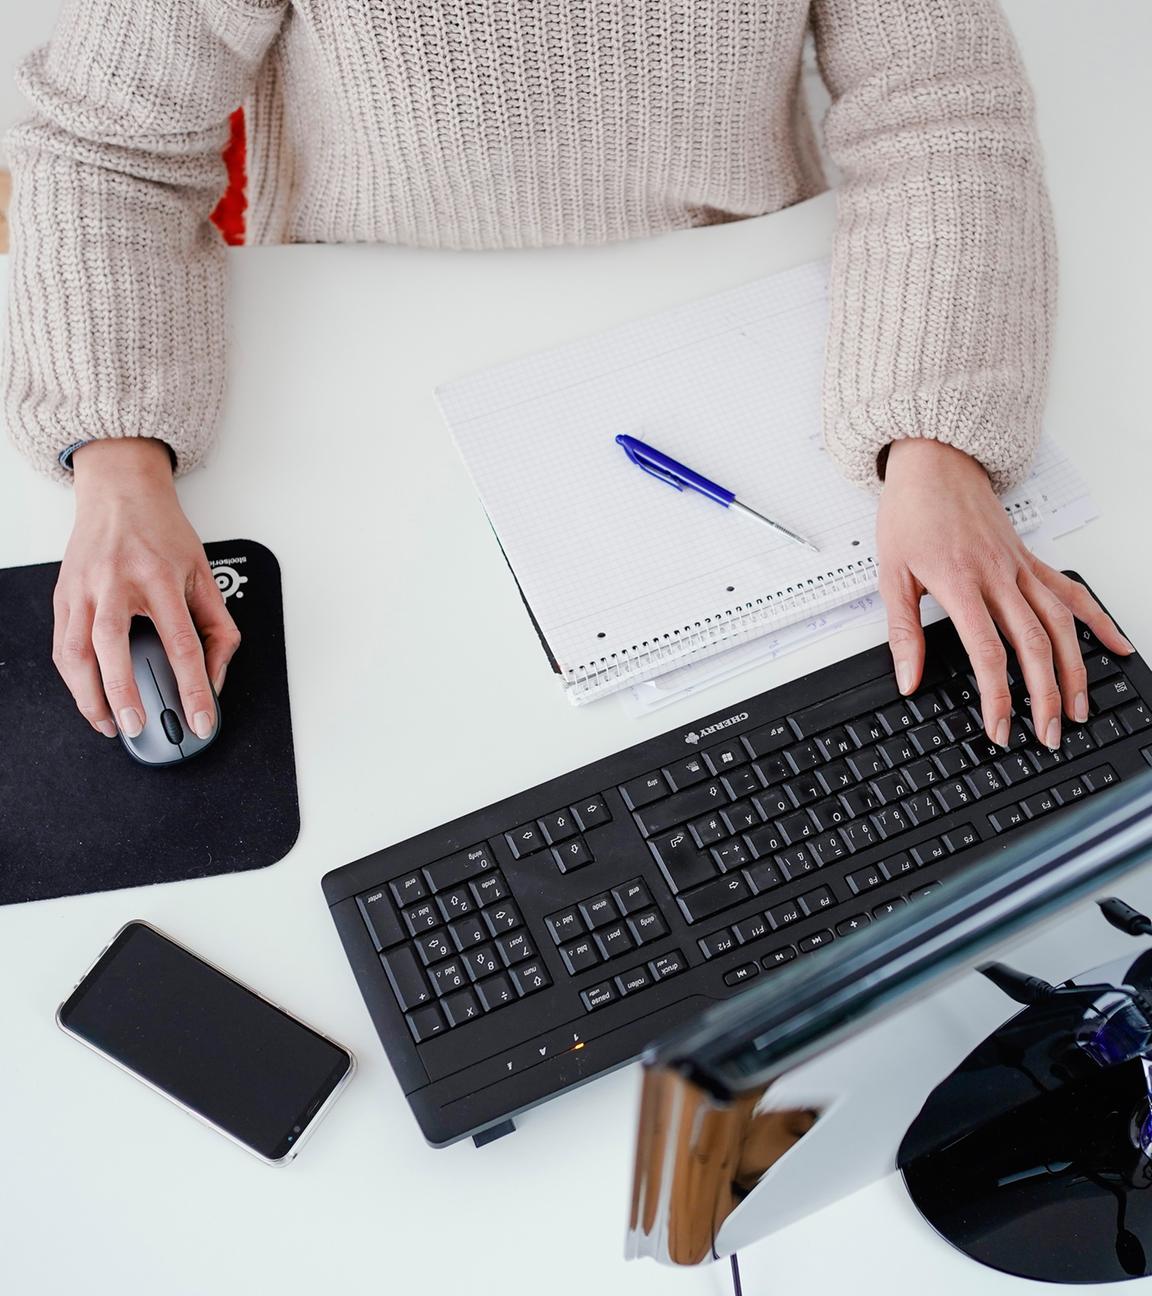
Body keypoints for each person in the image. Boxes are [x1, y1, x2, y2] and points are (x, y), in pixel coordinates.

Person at [1, 0, 1133, 749]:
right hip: (367, 336)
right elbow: (105, 144)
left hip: (731, 302)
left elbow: (940, 109)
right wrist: (116, 458)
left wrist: (935, 441)